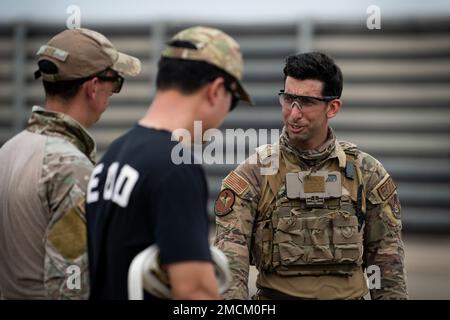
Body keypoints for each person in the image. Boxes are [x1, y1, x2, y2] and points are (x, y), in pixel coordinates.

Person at [214, 51, 408, 300]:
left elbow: (388, 265)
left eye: (306, 102)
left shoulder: (366, 173)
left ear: (333, 107)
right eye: (288, 98)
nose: (293, 113)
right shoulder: (255, 174)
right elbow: (230, 266)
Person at [86, 26, 253, 300]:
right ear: (216, 90)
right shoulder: (176, 166)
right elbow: (195, 293)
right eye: (232, 101)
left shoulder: (115, 154)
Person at [0, 28, 141, 299]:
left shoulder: (9, 151)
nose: (113, 94)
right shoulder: (70, 168)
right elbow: (71, 284)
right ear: (93, 87)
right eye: (115, 83)